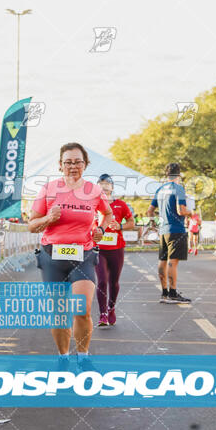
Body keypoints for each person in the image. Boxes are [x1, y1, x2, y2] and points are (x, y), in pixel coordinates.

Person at [29, 142, 113, 368]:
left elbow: (108, 214)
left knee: (82, 309)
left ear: (85, 165)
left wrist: (101, 230)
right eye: (68, 162)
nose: (73, 166)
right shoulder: (48, 189)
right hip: (52, 256)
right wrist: (48, 219)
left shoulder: (94, 191)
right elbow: (31, 225)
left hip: (83, 255)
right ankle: (63, 357)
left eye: (78, 161)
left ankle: (83, 357)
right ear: (60, 165)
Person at [147, 162, 193, 304]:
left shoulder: (160, 189)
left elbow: (149, 211)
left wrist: (154, 224)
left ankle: (164, 292)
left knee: (162, 261)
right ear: (179, 175)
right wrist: (191, 213)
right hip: (176, 229)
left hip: (163, 230)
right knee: (173, 262)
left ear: (167, 174)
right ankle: (173, 293)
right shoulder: (178, 188)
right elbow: (181, 211)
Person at [95, 174, 134, 326]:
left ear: (112, 187)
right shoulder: (93, 204)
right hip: (99, 248)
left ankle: (111, 307)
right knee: (102, 281)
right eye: (101, 183)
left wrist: (121, 226)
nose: (104, 186)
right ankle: (103, 314)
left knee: (114, 282)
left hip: (116, 248)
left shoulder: (121, 204)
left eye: (107, 184)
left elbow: (132, 222)